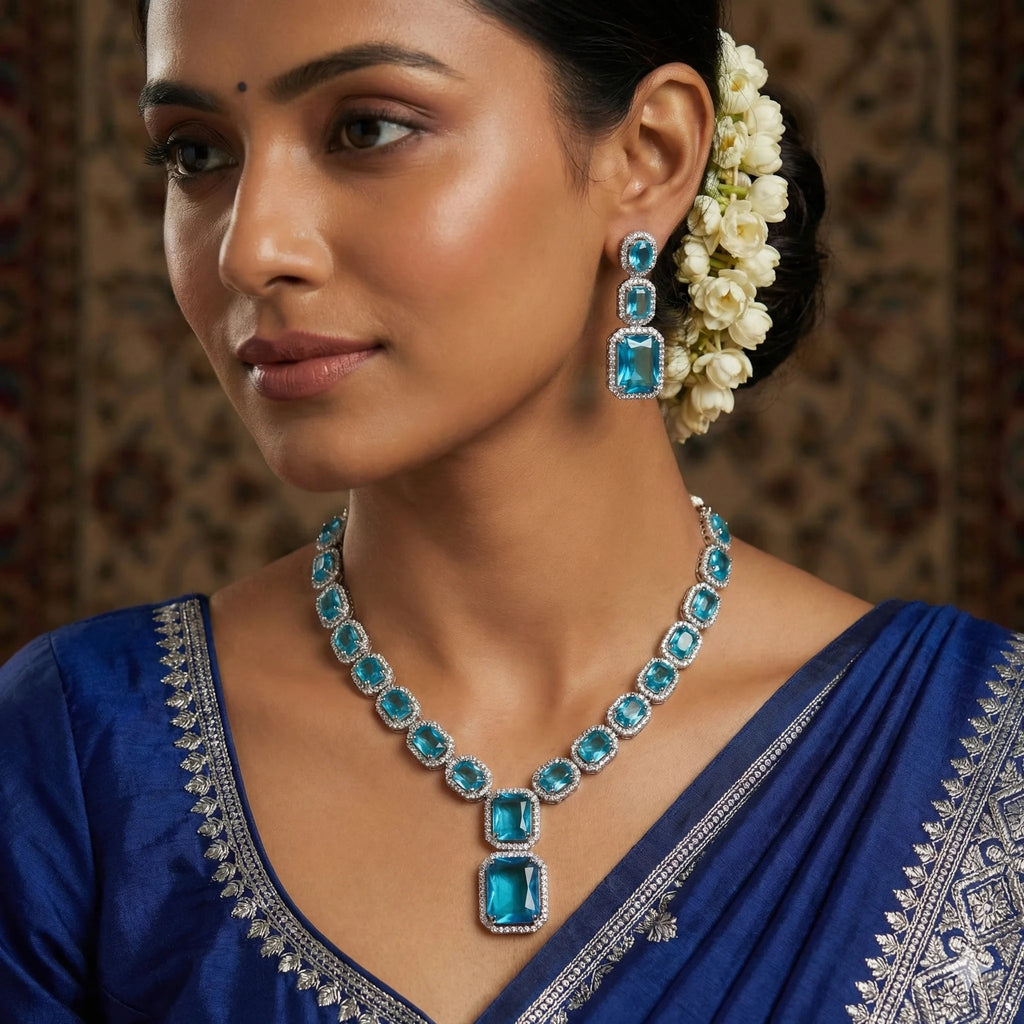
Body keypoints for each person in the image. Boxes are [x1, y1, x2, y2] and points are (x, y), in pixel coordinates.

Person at [0, 1, 1019, 1021]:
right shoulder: (80, 763)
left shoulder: (982, 756)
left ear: (650, 158)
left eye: (366, 130)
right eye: (195, 154)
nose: (250, 248)